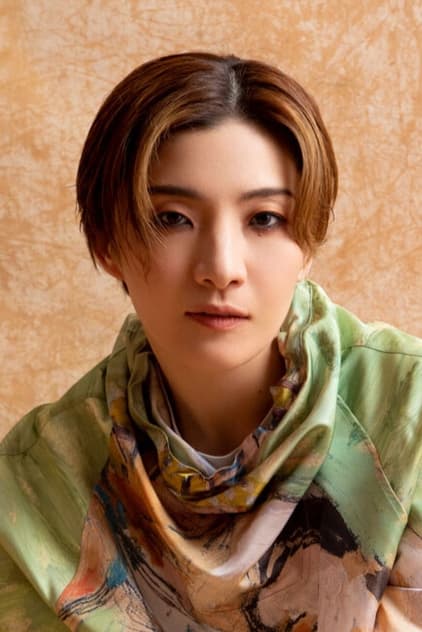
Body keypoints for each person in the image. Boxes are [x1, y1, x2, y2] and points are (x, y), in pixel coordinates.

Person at [0, 52, 421, 632]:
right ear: (106, 242)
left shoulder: (407, 416)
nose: (221, 268)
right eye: (173, 218)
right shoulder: (37, 484)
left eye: (265, 218)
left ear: (308, 243)